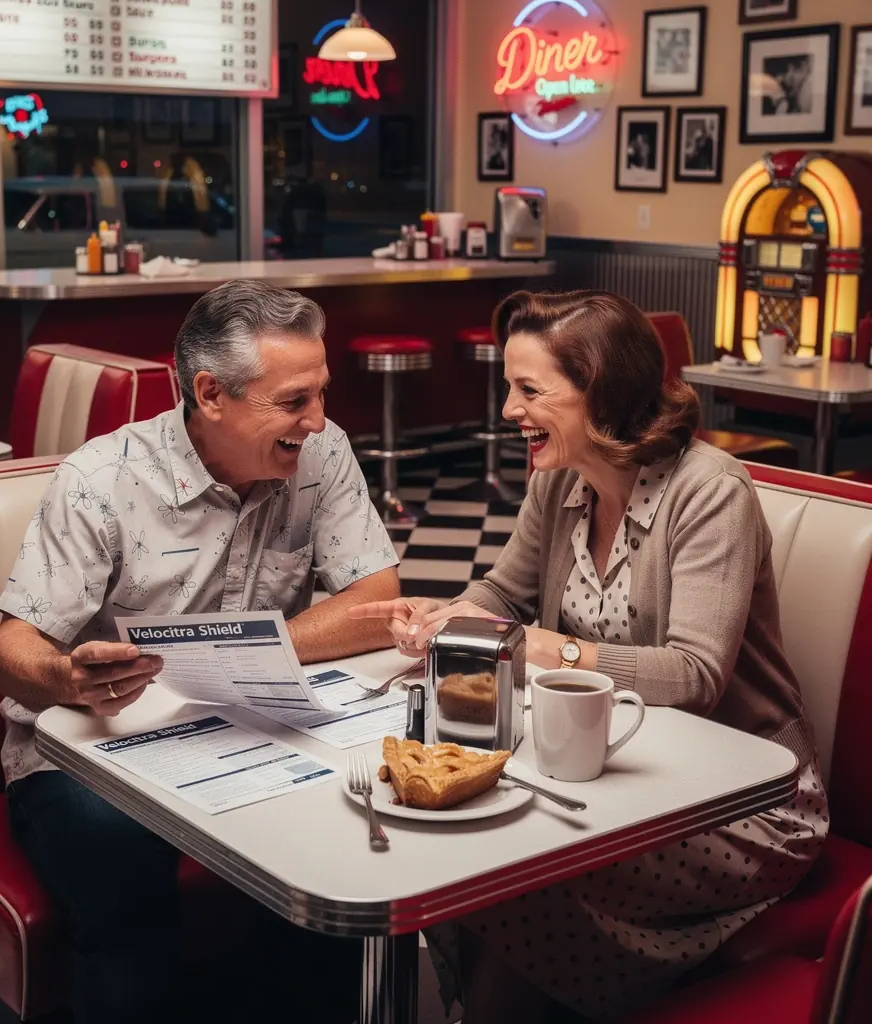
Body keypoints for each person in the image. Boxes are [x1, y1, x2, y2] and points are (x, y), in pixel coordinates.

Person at [349, 290, 826, 1023]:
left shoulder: (709, 493)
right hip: (614, 773)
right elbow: (503, 592)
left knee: (507, 877)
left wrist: (545, 645)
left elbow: (694, 676)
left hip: (745, 797)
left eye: (529, 390)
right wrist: (444, 614)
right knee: (473, 859)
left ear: (600, 393)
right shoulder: (560, 479)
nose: (508, 409)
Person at [0, 279, 401, 1023]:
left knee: (347, 852)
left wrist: (235, 653)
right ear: (211, 393)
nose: (318, 419)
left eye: (321, 394)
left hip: (249, 731)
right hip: (92, 751)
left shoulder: (322, 453)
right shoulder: (101, 480)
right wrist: (63, 676)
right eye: (294, 400)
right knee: (123, 873)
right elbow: (11, 648)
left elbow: (376, 596)